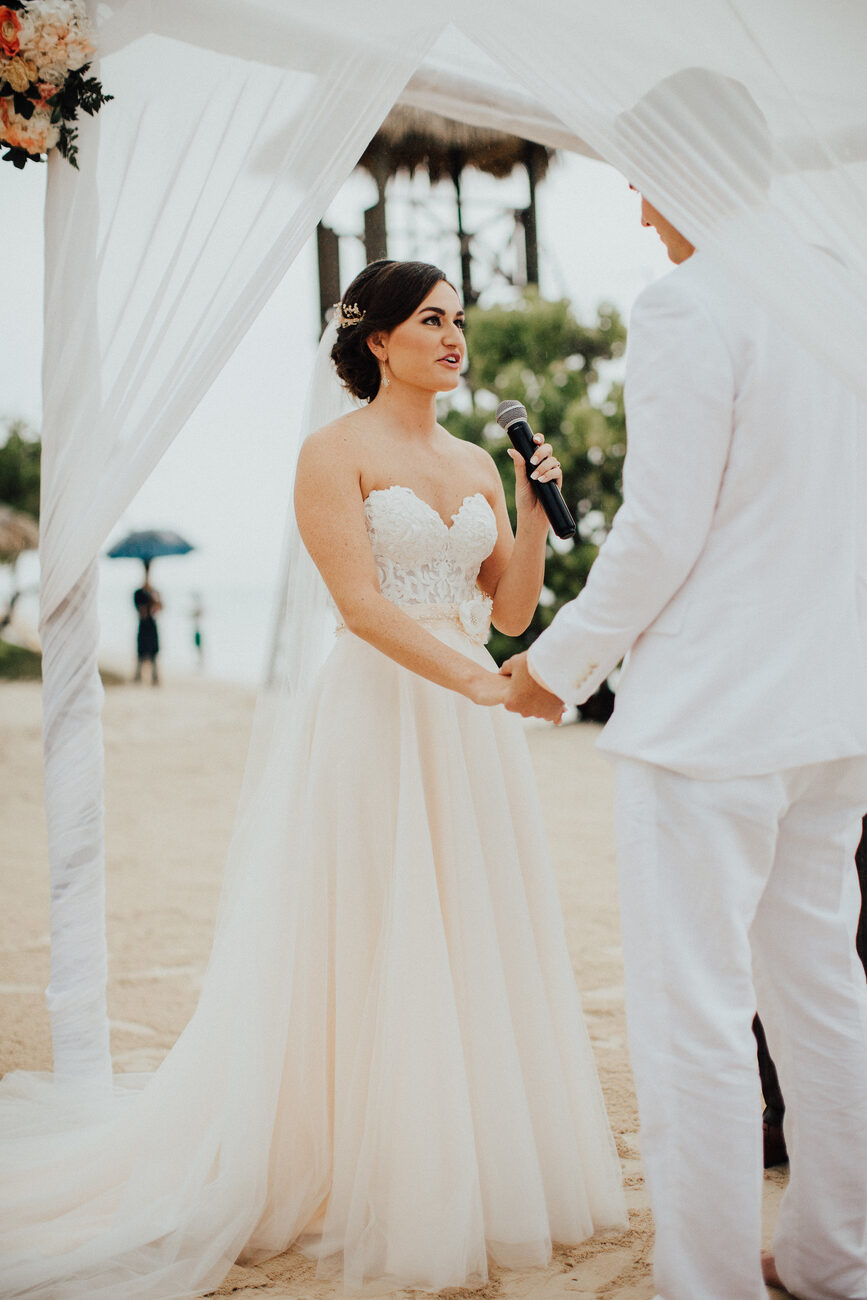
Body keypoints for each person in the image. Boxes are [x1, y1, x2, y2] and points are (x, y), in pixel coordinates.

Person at [0, 260, 625, 1298]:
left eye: (459, 320)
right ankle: (349, 1162)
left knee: (472, 921)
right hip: (387, 713)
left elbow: (511, 612)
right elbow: (364, 609)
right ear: (376, 339)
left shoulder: (478, 459)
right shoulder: (330, 454)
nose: (454, 337)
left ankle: (458, 1146)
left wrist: (525, 504)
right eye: (431, 320)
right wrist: (481, 685)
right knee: (372, 925)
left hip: (474, 726)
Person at [500, 76, 867, 1300]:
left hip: (711, 727)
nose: (635, 199)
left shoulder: (688, 306)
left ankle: (706, 1283)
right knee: (821, 997)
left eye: (640, 169)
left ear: (684, 168)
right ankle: (833, 1260)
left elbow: (657, 537)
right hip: (832, 714)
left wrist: (555, 668)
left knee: (693, 1021)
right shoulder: (840, 287)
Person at [133, 570, 162, 685]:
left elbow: (160, 608)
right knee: (141, 652)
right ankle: (138, 676)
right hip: (144, 624)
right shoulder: (139, 593)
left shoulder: (155, 592)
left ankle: (154, 678)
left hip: (152, 625)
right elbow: (141, 610)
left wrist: (155, 600)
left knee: (154, 652)